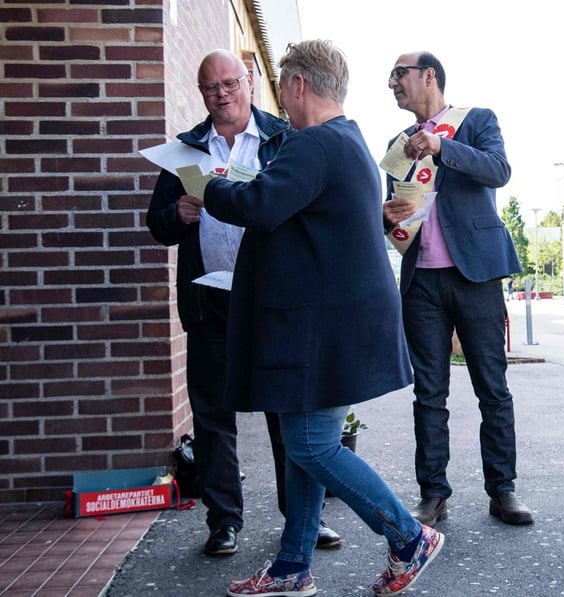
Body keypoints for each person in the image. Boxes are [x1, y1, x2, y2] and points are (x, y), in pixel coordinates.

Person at [184, 40, 444, 595]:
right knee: (305, 445)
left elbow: (261, 207)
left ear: (299, 85)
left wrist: (209, 186)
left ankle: (407, 536)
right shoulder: (344, 141)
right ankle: (290, 567)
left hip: (321, 329)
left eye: (283, 87)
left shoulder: (313, 145)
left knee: (309, 446)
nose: (282, 99)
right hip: (332, 325)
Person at [146, 49, 340, 556]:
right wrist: (180, 214)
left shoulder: (284, 139)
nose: (222, 94)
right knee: (212, 417)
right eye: (211, 88)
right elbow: (157, 225)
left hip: (272, 301)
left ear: (249, 82)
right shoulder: (186, 151)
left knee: (286, 415)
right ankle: (223, 521)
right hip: (209, 300)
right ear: (202, 93)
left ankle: (303, 520)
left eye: (230, 83)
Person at [382, 51, 533, 526]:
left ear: (429, 76)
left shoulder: (476, 121)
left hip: (477, 274)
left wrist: (443, 148)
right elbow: (395, 212)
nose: (391, 83)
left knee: (493, 387)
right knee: (429, 392)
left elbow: (498, 170)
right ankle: (433, 493)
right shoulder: (397, 144)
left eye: (399, 74)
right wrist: (387, 219)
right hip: (422, 280)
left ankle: (502, 490)